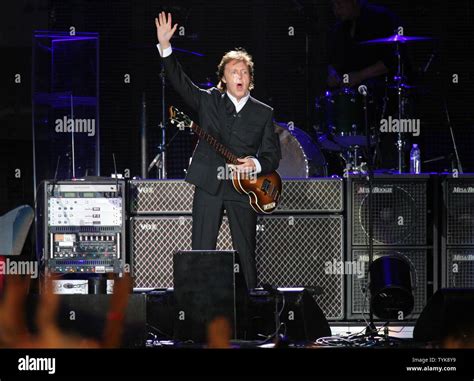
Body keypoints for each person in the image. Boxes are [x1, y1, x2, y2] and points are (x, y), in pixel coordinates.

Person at [155, 12, 281, 290]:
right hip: (209, 184)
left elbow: (273, 156)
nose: (240, 76)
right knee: (202, 252)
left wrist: (255, 164)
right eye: (234, 72)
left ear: (251, 79)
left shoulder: (263, 113)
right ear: (223, 78)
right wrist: (165, 47)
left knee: (247, 255)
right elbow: (179, 81)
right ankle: (197, 311)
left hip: (243, 190)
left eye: (245, 72)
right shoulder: (208, 100)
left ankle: (252, 314)